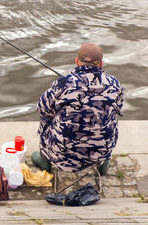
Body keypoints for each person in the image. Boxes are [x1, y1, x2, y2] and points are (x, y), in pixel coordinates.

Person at [32, 43, 124, 175]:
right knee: (111, 116)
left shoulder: (62, 84)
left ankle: (45, 161)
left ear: (76, 61)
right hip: (101, 149)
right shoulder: (114, 84)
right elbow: (118, 107)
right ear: (101, 64)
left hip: (63, 156)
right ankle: (103, 162)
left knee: (46, 118)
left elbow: (42, 108)